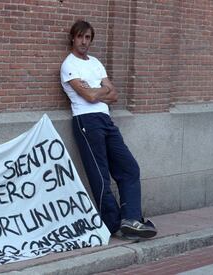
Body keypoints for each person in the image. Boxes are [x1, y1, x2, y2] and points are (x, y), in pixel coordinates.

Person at [60, 20, 157, 240]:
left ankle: (131, 219)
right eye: (80, 37)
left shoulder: (95, 62)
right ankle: (114, 225)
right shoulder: (69, 65)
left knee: (130, 168)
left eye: (88, 38)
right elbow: (90, 96)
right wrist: (101, 90)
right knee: (100, 175)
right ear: (73, 38)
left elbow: (114, 95)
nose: (84, 41)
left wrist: (98, 90)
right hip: (86, 121)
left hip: (106, 120)